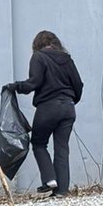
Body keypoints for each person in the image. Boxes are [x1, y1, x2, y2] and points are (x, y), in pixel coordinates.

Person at [8, 31, 84, 197]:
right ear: (56, 43)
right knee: (62, 148)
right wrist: (71, 100)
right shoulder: (67, 59)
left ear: (36, 45)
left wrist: (14, 87)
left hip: (48, 108)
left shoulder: (38, 57)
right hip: (68, 107)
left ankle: (49, 179)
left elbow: (33, 83)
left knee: (39, 143)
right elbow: (78, 84)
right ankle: (62, 190)